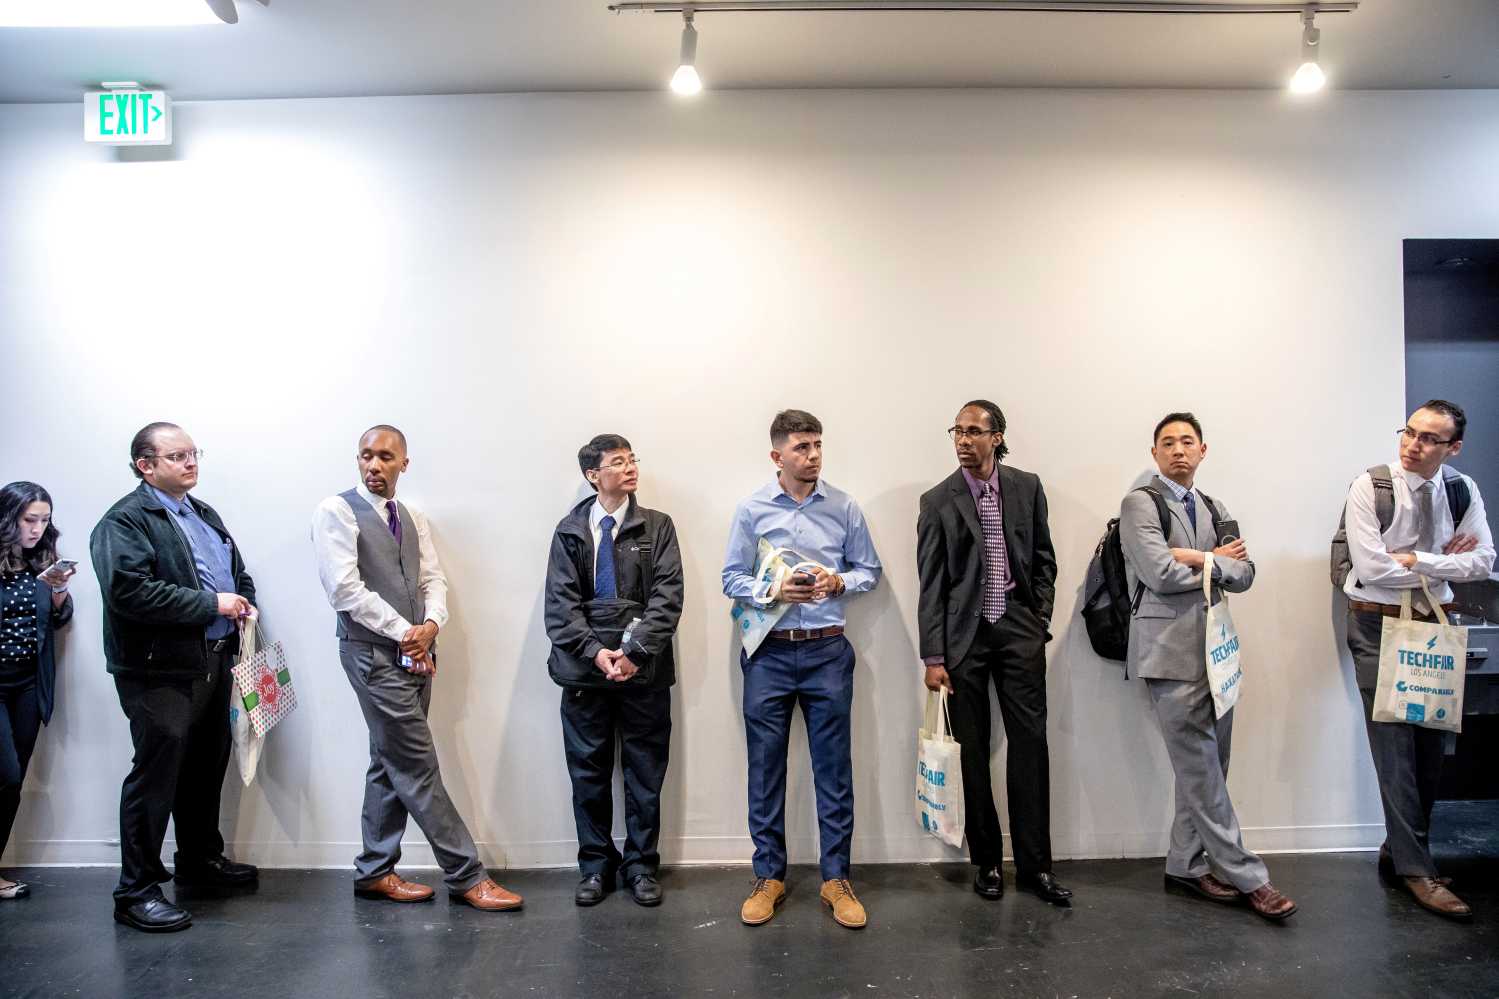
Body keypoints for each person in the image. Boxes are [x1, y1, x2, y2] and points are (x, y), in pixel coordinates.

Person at [311, 425, 521, 912]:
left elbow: (432, 579)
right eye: (366, 455)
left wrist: (431, 624)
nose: (374, 465)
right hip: (373, 655)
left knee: (389, 759)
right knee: (416, 765)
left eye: (386, 457)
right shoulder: (336, 511)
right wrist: (406, 631)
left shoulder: (412, 516)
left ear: (404, 463)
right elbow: (344, 590)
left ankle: (374, 871)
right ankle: (467, 876)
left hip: (417, 652)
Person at [1119, 412, 1296, 920]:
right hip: (1168, 653)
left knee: (1210, 766)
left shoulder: (1216, 507)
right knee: (1201, 769)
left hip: (1217, 653)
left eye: (1187, 441)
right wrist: (1215, 560)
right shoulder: (1140, 503)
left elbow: (1247, 573)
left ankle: (1184, 864)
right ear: (1154, 453)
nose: (1178, 450)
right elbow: (1159, 573)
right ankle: (1249, 876)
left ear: (1202, 450)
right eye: (1167, 442)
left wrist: (1197, 558)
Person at [90, 423, 259, 933]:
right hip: (157, 669)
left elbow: (236, 572)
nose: (190, 463)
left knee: (205, 767)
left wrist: (245, 602)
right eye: (177, 456)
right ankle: (136, 891)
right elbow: (129, 592)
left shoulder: (202, 513)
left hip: (214, 659)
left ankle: (198, 861)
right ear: (145, 465)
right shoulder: (124, 521)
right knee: (155, 776)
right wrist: (212, 604)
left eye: (193, 453)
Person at [722, 410, 882, 929]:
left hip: (827, 651)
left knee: (833, 769)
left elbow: (869, 571)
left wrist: (839, 582)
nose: (813, 456)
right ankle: (768, 877)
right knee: (765, 768)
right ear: (777, 456)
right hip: (768, 653)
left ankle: (836, 879)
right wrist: (773, 590)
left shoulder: (844, 506)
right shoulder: (752, 509)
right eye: (801, 447)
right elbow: (730, 578)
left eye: (817, 445)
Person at [1340, 399, 1493, 921]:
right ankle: (1416, 870)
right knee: (1394, 748)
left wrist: (1421, 559)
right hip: (1376, 624)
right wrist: (1446, 562)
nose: (1413, 444)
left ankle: (1400, 851)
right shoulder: (1371, 486)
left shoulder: (1461, 488)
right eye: (1409, 432)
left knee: (1431, 745)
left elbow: (1484, 561)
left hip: (1435, 624)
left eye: (1429, 438)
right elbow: (1373, 568)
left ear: (1453, 447)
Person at [916, 400, 1072, 905]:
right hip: (963, 639)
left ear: (997, 437)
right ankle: (986, 862)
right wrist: (933, 657)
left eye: (973, 432)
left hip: (1018, 629)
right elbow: (931, 585)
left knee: (1030, 746)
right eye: (957, 432)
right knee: (972, 752)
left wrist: (1038, 619)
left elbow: (1044, 558)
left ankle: (1035, 867)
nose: (963, 440)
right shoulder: (937, 501)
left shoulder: (1027, 487)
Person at [544, 434, 684, 907]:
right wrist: (595, 652)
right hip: (584, 675)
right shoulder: (569, 531)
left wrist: (633, 653)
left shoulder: (658, 527)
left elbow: (668, 598)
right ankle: (595, 866)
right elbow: (560, 605)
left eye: (632, 460)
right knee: (588, 774)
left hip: (644, 673)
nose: (630, 468)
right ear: (593, 475)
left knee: (645, 773)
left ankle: (641, 866)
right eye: (618, 462)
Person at [0, 482, 75, 900]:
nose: (37, 529)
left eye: (44, 520)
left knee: (12, 783)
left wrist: (59, 588)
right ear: (8, 518)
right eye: (30, 520)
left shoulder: (42, 562)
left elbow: (58, 619)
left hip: (29, 683)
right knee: (6, 774)